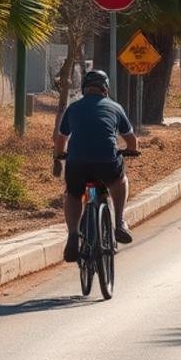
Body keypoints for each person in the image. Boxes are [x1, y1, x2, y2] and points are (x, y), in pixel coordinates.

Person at [53, 70, 138, 263]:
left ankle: (73, 234)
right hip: (107, 163)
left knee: (74, 194)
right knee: (120, 179)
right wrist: (131, 151)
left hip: (77, 164)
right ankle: (119, 223)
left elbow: (60, 139)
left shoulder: (73, 108)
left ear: (84, 89)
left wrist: (59, 155)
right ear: (105, 89)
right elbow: (132, 140)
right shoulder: (115, 107)